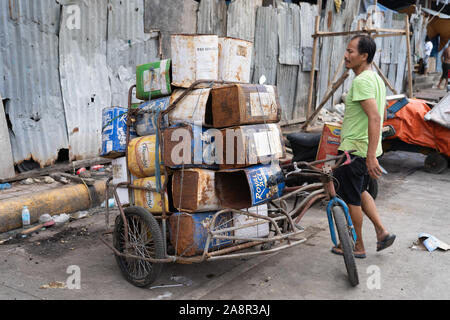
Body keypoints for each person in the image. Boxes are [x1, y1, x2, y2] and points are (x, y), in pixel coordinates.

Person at [331, 35, 396, 259]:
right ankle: (381, 232)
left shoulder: (360, 82)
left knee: (350, 198)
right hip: (366, 148)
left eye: (351, 52)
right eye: (347, 51)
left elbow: (375, 118)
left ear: (364, 56)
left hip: (355, 151)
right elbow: (383, 113)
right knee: (360, 191)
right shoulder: (376, 79)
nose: (346, 56)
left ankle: (357, 246)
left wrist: (369, 157)